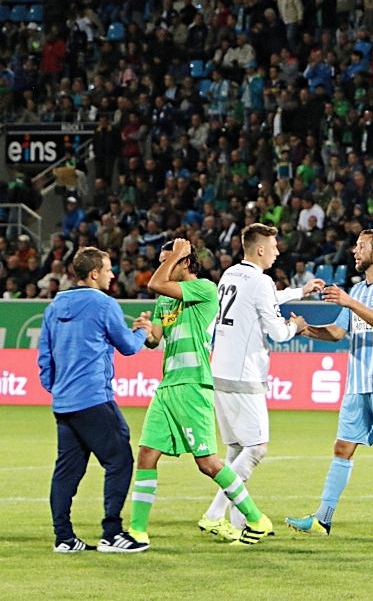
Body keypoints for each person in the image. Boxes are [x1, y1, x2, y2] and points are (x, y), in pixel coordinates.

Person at [130, 239, 273, 547]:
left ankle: (256, 519)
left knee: (207, 463)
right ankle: (137, 531)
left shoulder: (205, 289)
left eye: (167, 260)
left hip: (195, 385)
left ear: (184, 262)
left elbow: (156, 282)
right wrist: (145, 329)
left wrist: (179, 253)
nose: (161, 267)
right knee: (145, 456)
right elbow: (156, 339)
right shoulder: (166, 301)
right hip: (168, 385)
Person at [287, 229, 373, 537]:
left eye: (361, 246)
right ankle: (323, 518)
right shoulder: (357, 291)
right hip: (357, 382)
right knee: (343, 446)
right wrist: (306, 330)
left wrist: (348, 302)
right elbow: (338, 333)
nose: (355, 251)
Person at [199, 224, 322, 539]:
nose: (278, 251)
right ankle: (214, 514)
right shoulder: (261, 280)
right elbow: (278, 333)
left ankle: (239, 523)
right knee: (256, 449)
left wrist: (299, 291)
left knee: (236, 450)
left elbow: (262, 300)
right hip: (244, 376)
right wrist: (296, 325)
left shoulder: (231, 275)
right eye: (274, 246)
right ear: (260, 249)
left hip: (220, 372)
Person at [38, 248, 152, 553]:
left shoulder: (54, 306)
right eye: (108, 269)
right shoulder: (104, 304)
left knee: (67, 470)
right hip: (93, 398)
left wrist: (58, 389)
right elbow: (128, 346)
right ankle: (112, 534)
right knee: (120, 459)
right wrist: (142, 331)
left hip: (64, 402)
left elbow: (45, 357)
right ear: (93, 274)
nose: (112, 274)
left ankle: (64, 538)